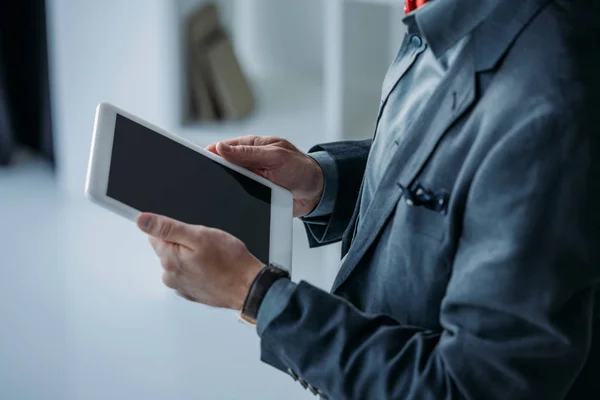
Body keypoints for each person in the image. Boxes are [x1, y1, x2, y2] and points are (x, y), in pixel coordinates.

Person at [136, 0, 600, 398]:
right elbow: (455, 171)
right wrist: (323, 182)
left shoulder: (548, 106)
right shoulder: (443, 14)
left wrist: (255, 294)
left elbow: (469, 387)